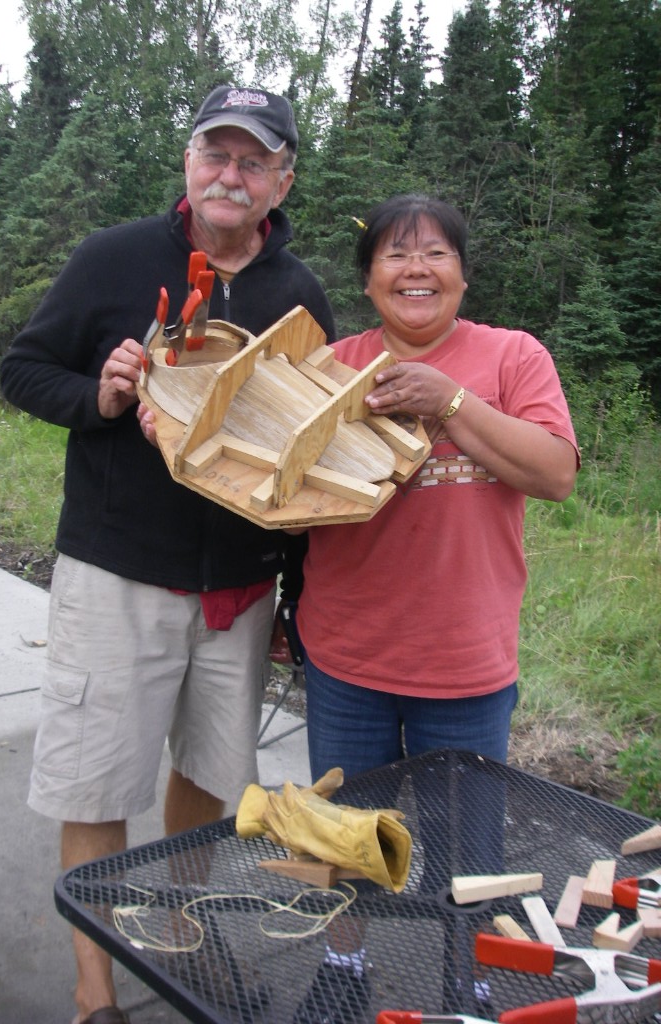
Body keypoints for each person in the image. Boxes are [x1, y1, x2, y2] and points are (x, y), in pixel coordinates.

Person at [0, 84, 335, 1024]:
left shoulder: (295, 296)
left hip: (236, 586)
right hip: (118, 572)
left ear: (281, 179)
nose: (231, 173)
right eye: (215, 153)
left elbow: (313, 453)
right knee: (99, 773)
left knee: (206, 774)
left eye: (253, 159)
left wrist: (295, 596)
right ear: (189, 161)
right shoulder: (116, 258)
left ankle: (172, 936)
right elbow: (24, 369)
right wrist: (100, 398)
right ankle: (94, 987)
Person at [289, 194, 579, 1024]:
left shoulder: (513, 356)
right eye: (394, 254)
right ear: (370, 278)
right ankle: (345, 966)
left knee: (469, 847)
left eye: (435, 254)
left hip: (467, 659)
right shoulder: (334, 366)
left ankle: (470, 978)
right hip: (349, 653)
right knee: (346, 832)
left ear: (462, 272)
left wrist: (447, 400)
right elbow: (278, 492)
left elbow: (555, 473)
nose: (416, 268)